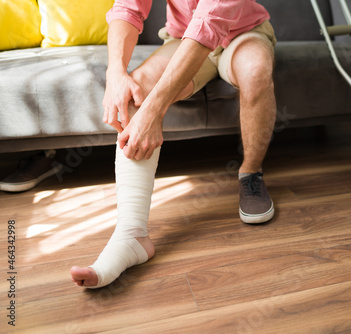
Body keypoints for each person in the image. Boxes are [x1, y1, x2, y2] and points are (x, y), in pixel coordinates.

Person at [70, 0, 277, 288]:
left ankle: (250, 174)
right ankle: (132, 234)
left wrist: (153, 111)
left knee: (255, 72)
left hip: (241, 32)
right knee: (134, 90)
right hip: (184, 37)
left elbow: (211, 22)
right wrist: (115, 73)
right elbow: (128, 8)